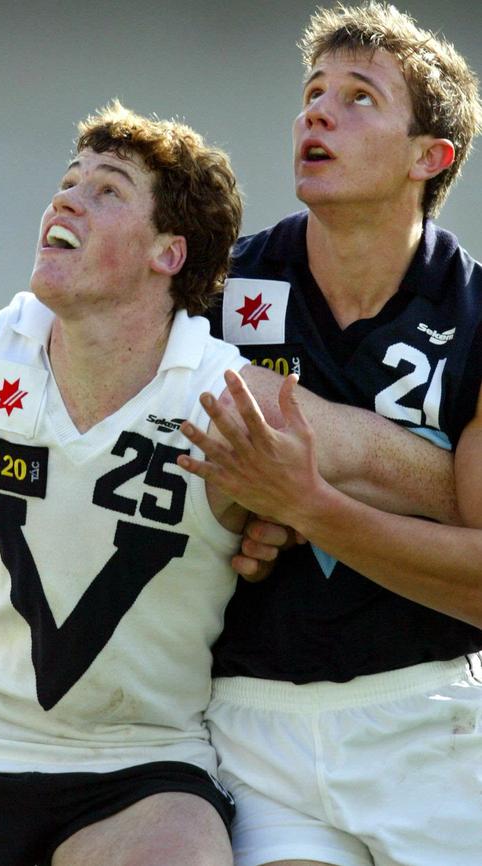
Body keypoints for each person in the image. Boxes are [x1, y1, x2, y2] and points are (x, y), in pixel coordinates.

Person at [0, 97, 461, 865]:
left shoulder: (232, 402)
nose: (67, 197)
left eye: (108, 190)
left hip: (132, 767)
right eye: (70, 180)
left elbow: (419, 477)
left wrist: (301, 509)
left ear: (169, 252)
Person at [179, 3, 482, 866]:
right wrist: (244, 506)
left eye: (359, 98)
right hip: (253, 725)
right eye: (313, 92)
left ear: (431, 157)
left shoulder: (478, 319)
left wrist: (305, 501)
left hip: (433, 720)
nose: (317, 111)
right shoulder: (220, 292)